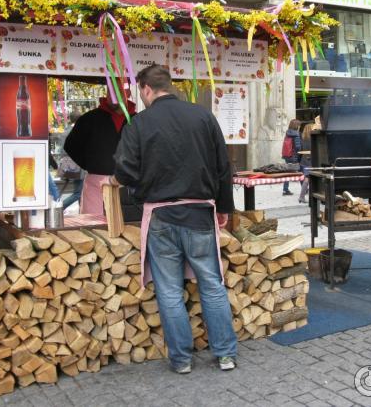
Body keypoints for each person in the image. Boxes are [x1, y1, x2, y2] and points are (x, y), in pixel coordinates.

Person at [110, 64, 237, 374]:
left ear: (146, 89)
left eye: (140, 92)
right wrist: (223, 207)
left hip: (161, 217)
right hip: (199, 213)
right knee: (212, 284)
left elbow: (124, 171)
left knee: (168, 290)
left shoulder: (139, 123)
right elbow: (224, 167)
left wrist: (142, 186)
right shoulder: (203, 116)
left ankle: (181, 360)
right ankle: (225, 355)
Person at [63, 88, 136, 216]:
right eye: (110, 91)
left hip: (129, 186)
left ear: (128, 94)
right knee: (95, 227)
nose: (113, 96)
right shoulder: (89, 119)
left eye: (117, 91)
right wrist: (90, 164)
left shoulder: (137, 120)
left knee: (129, 227)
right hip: (96, 185)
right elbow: (70, 145)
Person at [58, 111, 84, 211]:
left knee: (78, 190)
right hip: (75, 164)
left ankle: (82, 211)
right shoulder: (77, 131)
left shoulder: (66, 130)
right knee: (79, 192)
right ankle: (61, 207)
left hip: (66, 163)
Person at [282, 119, 302, 195]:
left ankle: (285, 189)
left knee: (288, 172)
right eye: (299, 125)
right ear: (296, 126)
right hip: (294, 156)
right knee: (301, 172)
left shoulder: (288, 133)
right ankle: (305, 189)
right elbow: (298, 147)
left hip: (287, 155)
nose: (300, 127)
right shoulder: (296, 134)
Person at [299, 122, 314, 203]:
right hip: (310, 161)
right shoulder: (313, 139)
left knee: (307, 178)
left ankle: (304, 197)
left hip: (304, 161)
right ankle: (302, 196)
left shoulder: (303, 138)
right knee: (307, 179)